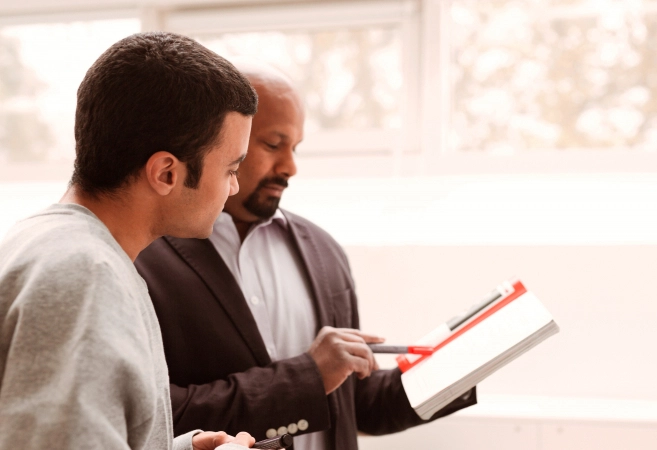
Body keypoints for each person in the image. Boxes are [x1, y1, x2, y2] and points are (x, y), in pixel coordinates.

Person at [135, 66, 477, 450]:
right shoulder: (144, 258)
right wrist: (307, 377)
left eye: (294, 148)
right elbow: (154, 417)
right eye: (272, 144)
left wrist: (462, 362)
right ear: (223, 142)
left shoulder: (324, 251)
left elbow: (358, 406)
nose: (290, 167)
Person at [0, 32, 261, 450]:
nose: (232, 188)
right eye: (231, 168)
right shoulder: (85, 276)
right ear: (165, 173)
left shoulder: (49, 242)